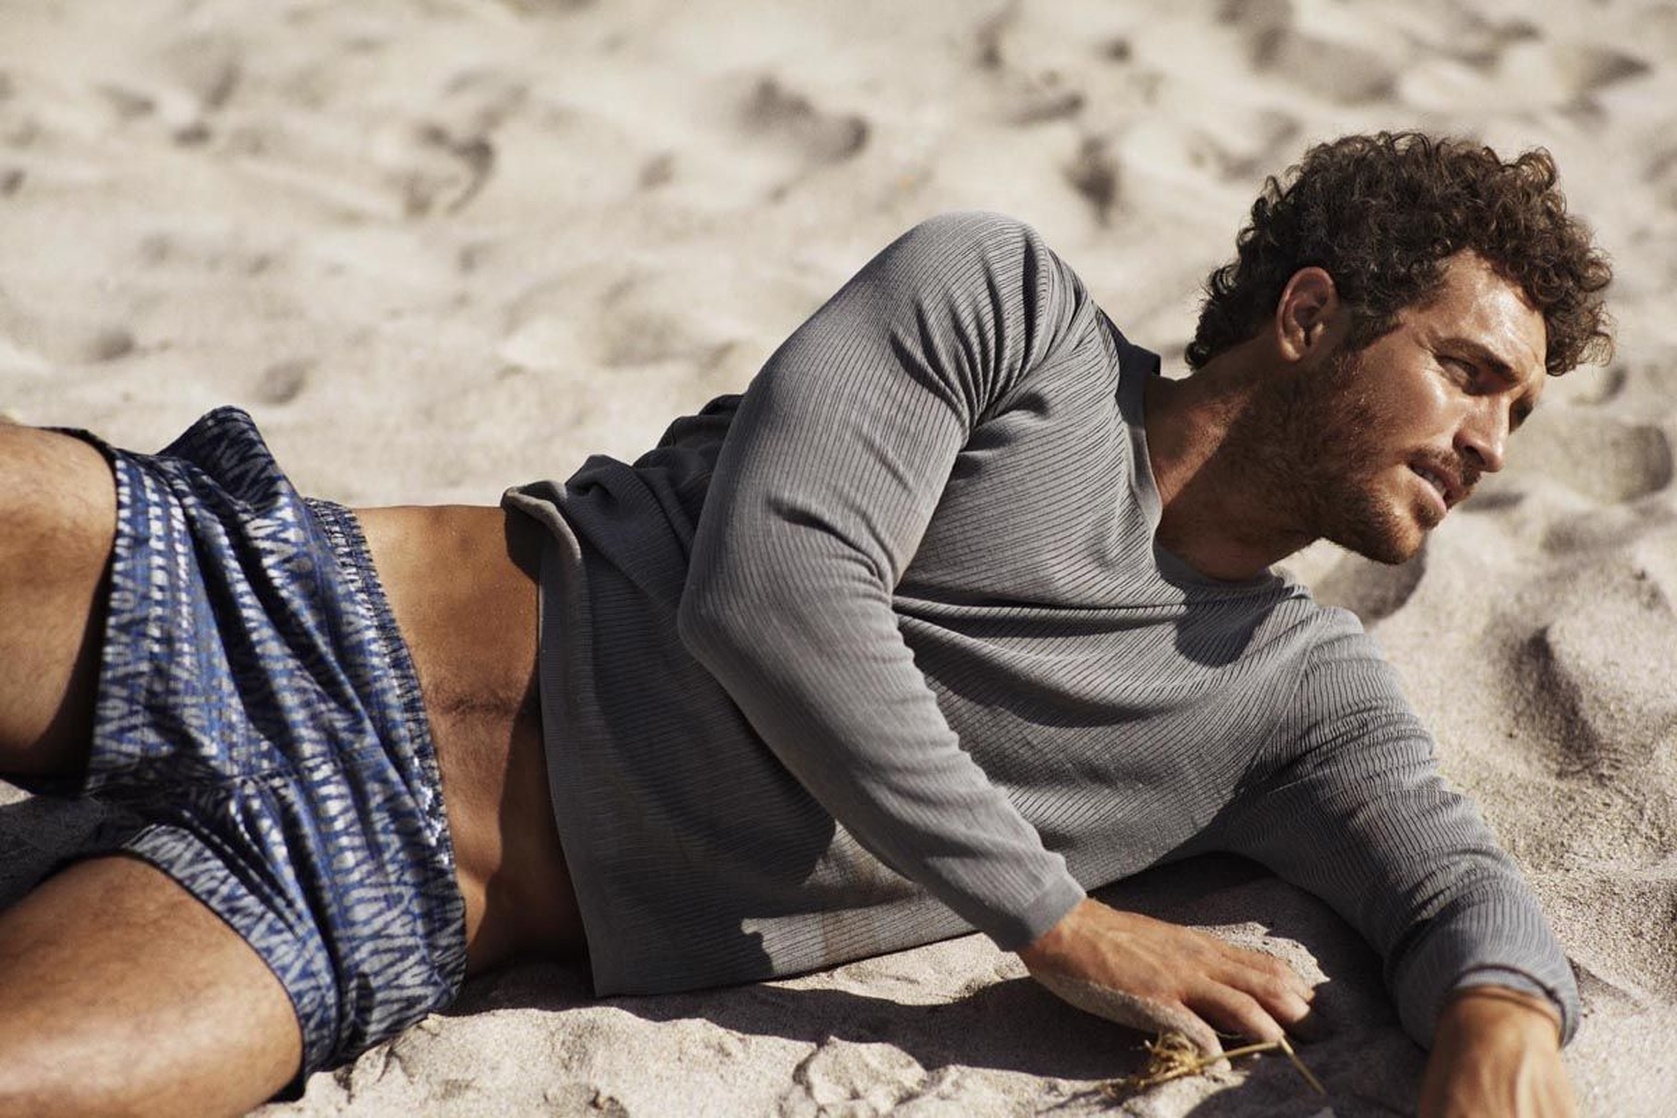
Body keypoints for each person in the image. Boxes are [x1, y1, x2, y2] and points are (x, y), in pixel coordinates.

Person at [0, 130, 1611, 1117]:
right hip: (282, 603)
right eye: (1466, 371)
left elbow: (1448, 883)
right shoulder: (1006, 310)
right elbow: (772, 591)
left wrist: (1499, 1020)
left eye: (1520, 413)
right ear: (1310, 313)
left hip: (380, 891)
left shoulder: (1291, 692)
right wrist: (1057, 918)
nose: (1489, 441)